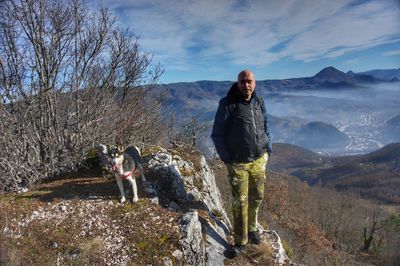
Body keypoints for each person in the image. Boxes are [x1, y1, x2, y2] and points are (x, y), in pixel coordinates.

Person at [211, 70, 272, 257]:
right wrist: (227, 158)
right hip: (238, 163)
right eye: (243, 82)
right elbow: (217, 134)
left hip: (259, 159)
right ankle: (240, 242)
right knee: (240, 202)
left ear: (255, 82)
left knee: (257, 197)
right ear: (237, 83)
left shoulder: (258, 101)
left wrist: (268, 148)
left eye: (249, 81)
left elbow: (265, 125)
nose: (246, 85)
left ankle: (252, 228)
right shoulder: (228, 104)